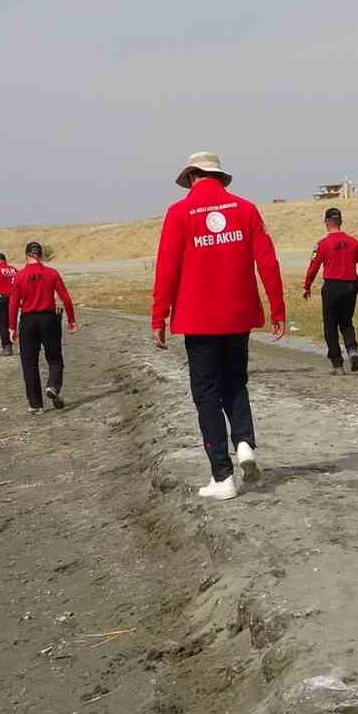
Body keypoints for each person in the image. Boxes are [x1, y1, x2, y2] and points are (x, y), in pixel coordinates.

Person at [152, 152, 286, 501]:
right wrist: (278, 308)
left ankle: (222, 476)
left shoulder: (179, 213)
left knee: (206, 393)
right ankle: (244, 443)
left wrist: (159, 316)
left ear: (192, 177)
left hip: (198, 319)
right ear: (219, 178)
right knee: (235, 382)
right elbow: (267, 262)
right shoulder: (245, 209)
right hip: (238, 315)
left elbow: (167, 268)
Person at [7, 242, 77, 414]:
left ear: (26, 255)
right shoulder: (52, 273)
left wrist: (11, 327)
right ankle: (53, 385)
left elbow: (13, 303)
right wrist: (71, 319)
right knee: (54, 357)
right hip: (49, 319)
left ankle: (35, 404)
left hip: (28, 321)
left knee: (29, 363)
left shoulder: (20, 276)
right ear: (41, 255)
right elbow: (65, 297)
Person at [303, 207, 358, 373]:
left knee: (330, 324)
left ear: (326, 222)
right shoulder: (354, 243)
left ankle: (337, 363)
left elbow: (313, 268)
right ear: (341, 222)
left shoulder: (322, 244)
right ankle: (352, 351)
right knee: (346, 322)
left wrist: (307, 286)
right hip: (350, 286)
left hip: (332, 286)